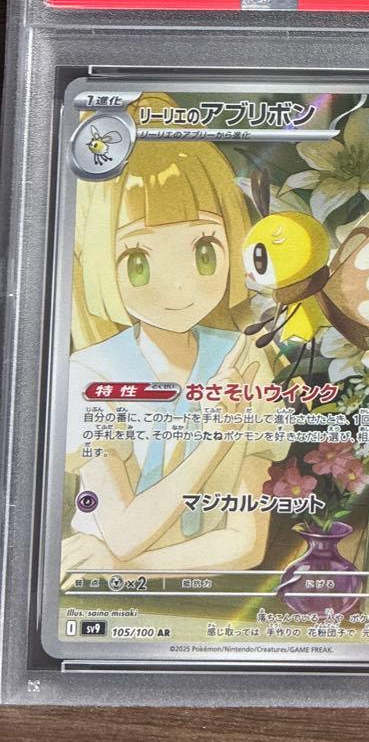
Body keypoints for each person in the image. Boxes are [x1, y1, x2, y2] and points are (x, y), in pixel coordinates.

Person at [61, 95, 289, 582]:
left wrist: (124, 570)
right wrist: (215, 440)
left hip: (188, 593)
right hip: (88, 592)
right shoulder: (92, 374)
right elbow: (123, 535)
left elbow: (245, 544)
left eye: (205, 250)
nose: (180, 287)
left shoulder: (245, 359)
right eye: (138, 262)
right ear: (98, 261)